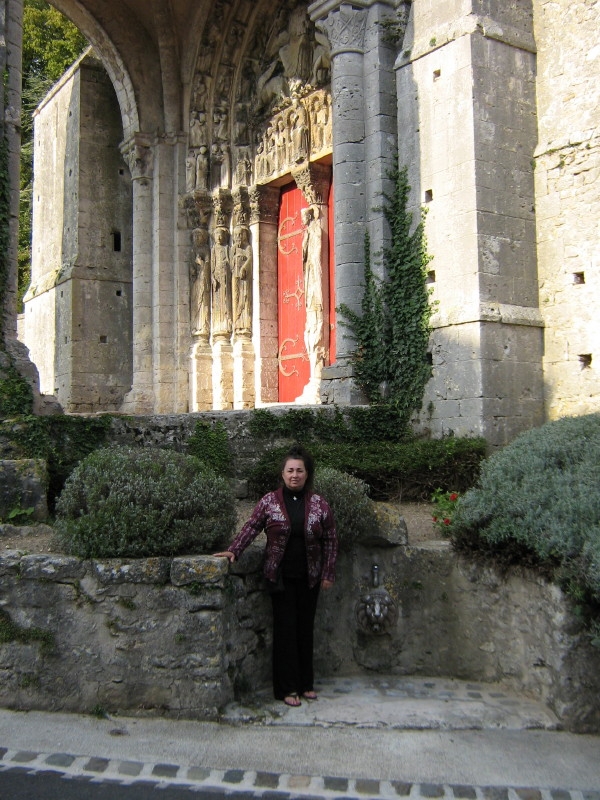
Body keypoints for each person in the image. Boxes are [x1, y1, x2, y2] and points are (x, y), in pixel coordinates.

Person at [214, 445, 337, 707]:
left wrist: (327, 572)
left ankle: (306, 684)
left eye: (299, 471)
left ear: (307, 474)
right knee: (285, 631)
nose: (295, 475)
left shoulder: (319, 504)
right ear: (282, 474)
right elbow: (252, 526)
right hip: (279, 577)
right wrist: (234, 550)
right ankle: (287, 688)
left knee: (305, 630)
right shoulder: (269, 501)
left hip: (310, 577)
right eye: (290, 470)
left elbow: (331, 539)